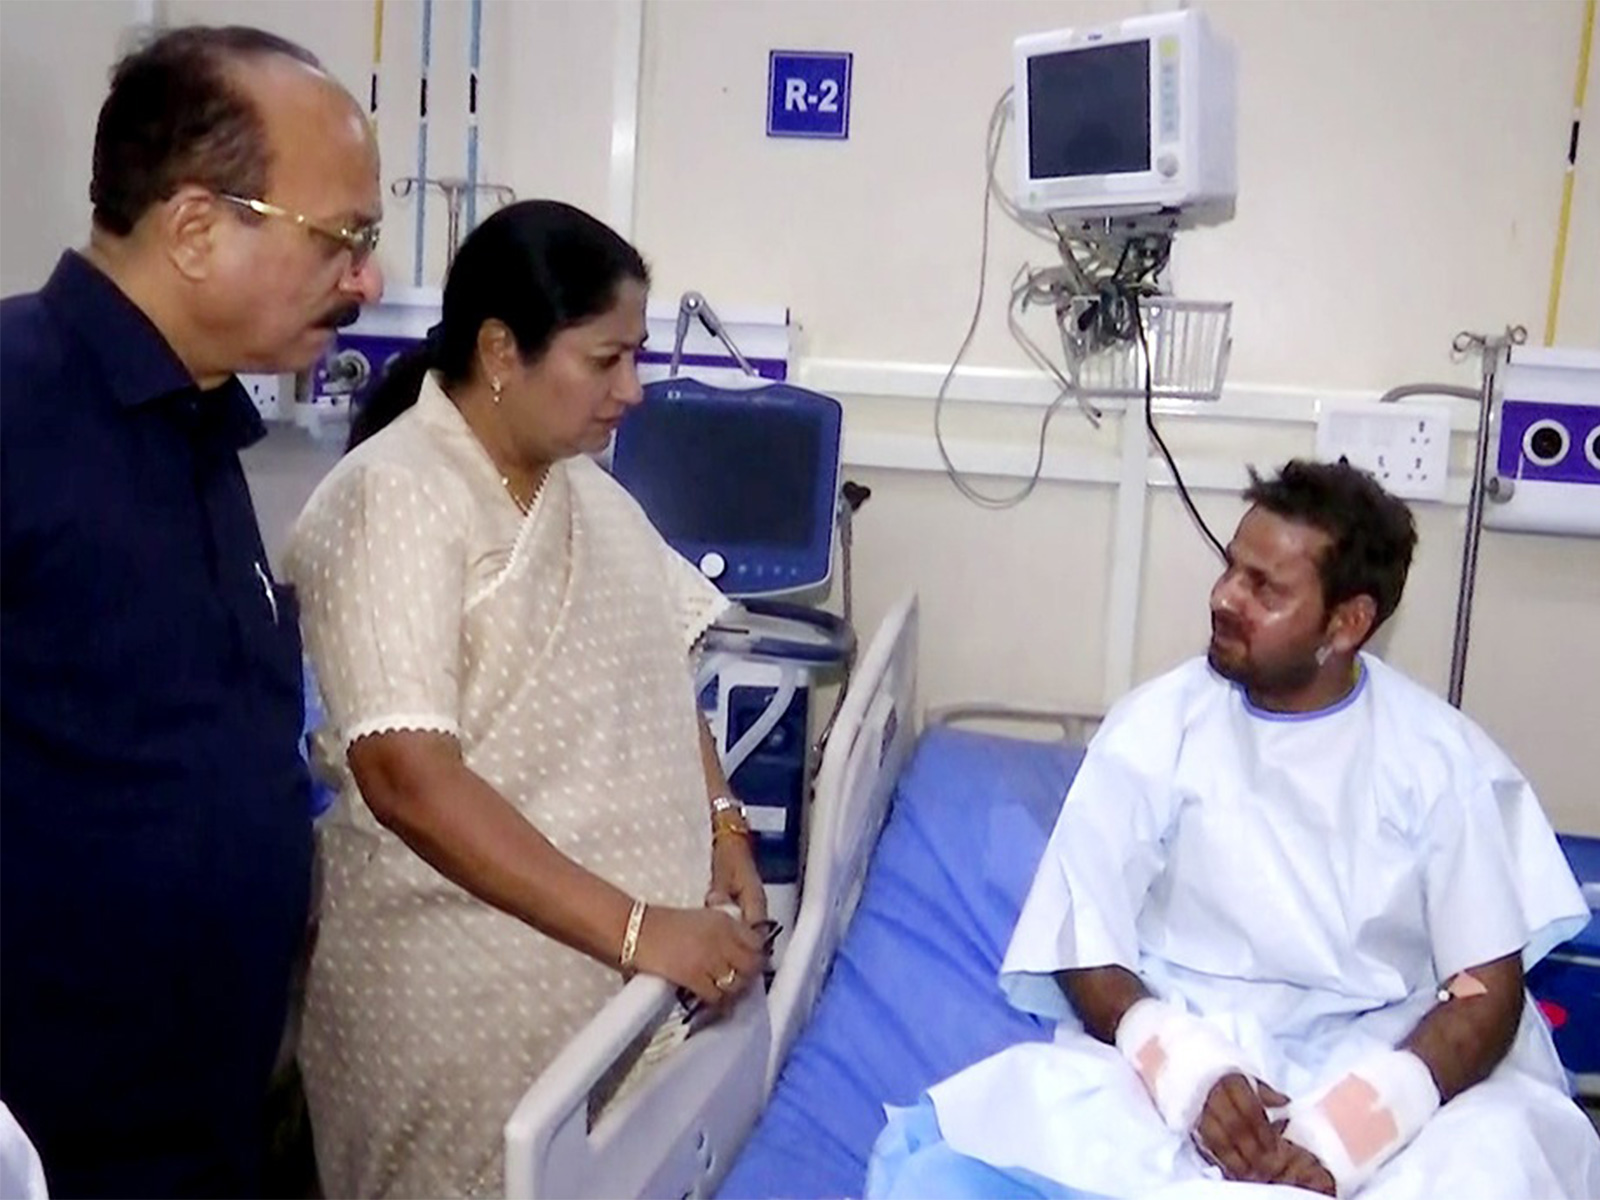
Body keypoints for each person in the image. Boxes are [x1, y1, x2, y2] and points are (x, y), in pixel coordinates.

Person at [866, 460, 1598, 1200]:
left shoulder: (1443, 763)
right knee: (950, 1171)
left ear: (1348, 623)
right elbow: (1085, 942)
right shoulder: (1155, 731)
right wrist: (1182, 1065)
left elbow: (1485, 994)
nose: (1225, 598)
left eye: (1266, 588)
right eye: (1230, 568)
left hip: (1387, 1049)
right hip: (1185, 1041)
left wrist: (1358, 1126)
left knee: (1497, 1166)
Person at [283, 198, 770, 1197]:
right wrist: (643, 929)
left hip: (622, 988)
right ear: (502, 351)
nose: (631, 391)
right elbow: (406, 777)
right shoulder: (396, 497)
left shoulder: (591, 492)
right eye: (605, 360)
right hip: (461, 1000)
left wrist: (724, 832)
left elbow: (657, 664)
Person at [0, 24, 383, 1198]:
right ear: (197, 228)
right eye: (343, 241)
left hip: (201, 1101)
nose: (365, 282)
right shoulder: (17, 408)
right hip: (56, 1123)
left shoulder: (199, 428)